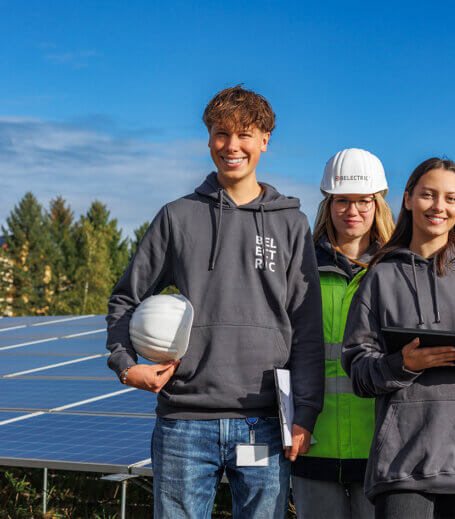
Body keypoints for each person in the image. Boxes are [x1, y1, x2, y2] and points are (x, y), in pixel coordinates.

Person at [105, 85, 324, 518]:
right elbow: (126, 298)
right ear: (208, 139)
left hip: (262, 425)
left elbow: (307, 327)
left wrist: (306, 412)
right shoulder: (176, 216)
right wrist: (127, 365)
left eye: (245, 135)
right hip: (185, 424)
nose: (232, 146)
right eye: (221, 134)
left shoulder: (292, 223)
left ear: (265, 140)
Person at [342, 158, 455, 519]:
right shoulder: (379, 276)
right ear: (407, 199)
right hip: (403, 460)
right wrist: (402, 365)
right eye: (428, 194)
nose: (439, 206)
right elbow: (359, 369)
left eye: (451, 198)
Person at [291, 148, 395, 519]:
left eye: (363, 201)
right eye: (342, 201)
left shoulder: (397, 270)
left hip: (381, 446)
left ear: (378, 203)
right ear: (328, 204)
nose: (352, 211)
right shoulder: (301, 269)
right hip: (313, 442)